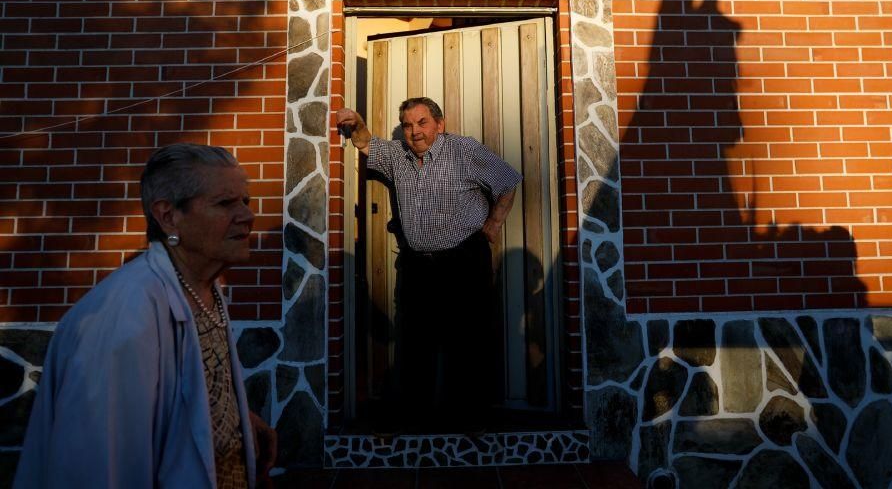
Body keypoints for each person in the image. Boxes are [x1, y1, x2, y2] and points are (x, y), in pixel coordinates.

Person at [14, 143, 277, 489]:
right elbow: (96, 465)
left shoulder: (203, 288)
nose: (246, 215)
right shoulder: (123, 314)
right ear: (168, 216)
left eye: (246, 201)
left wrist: (239, 425)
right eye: (225, 203)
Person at [336, 97, 522, 433]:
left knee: (467, 342)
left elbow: (507, 179)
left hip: (463, 261)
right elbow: (364, 142)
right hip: (418, 266)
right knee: (416, 341)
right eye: (408, 125)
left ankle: (469, 421)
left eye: (422, 123)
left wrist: (493, 224)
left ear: (440, 123)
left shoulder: (463, 150)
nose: (414, 132)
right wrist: (356, 123)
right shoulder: (397, 155)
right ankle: (417, 421)